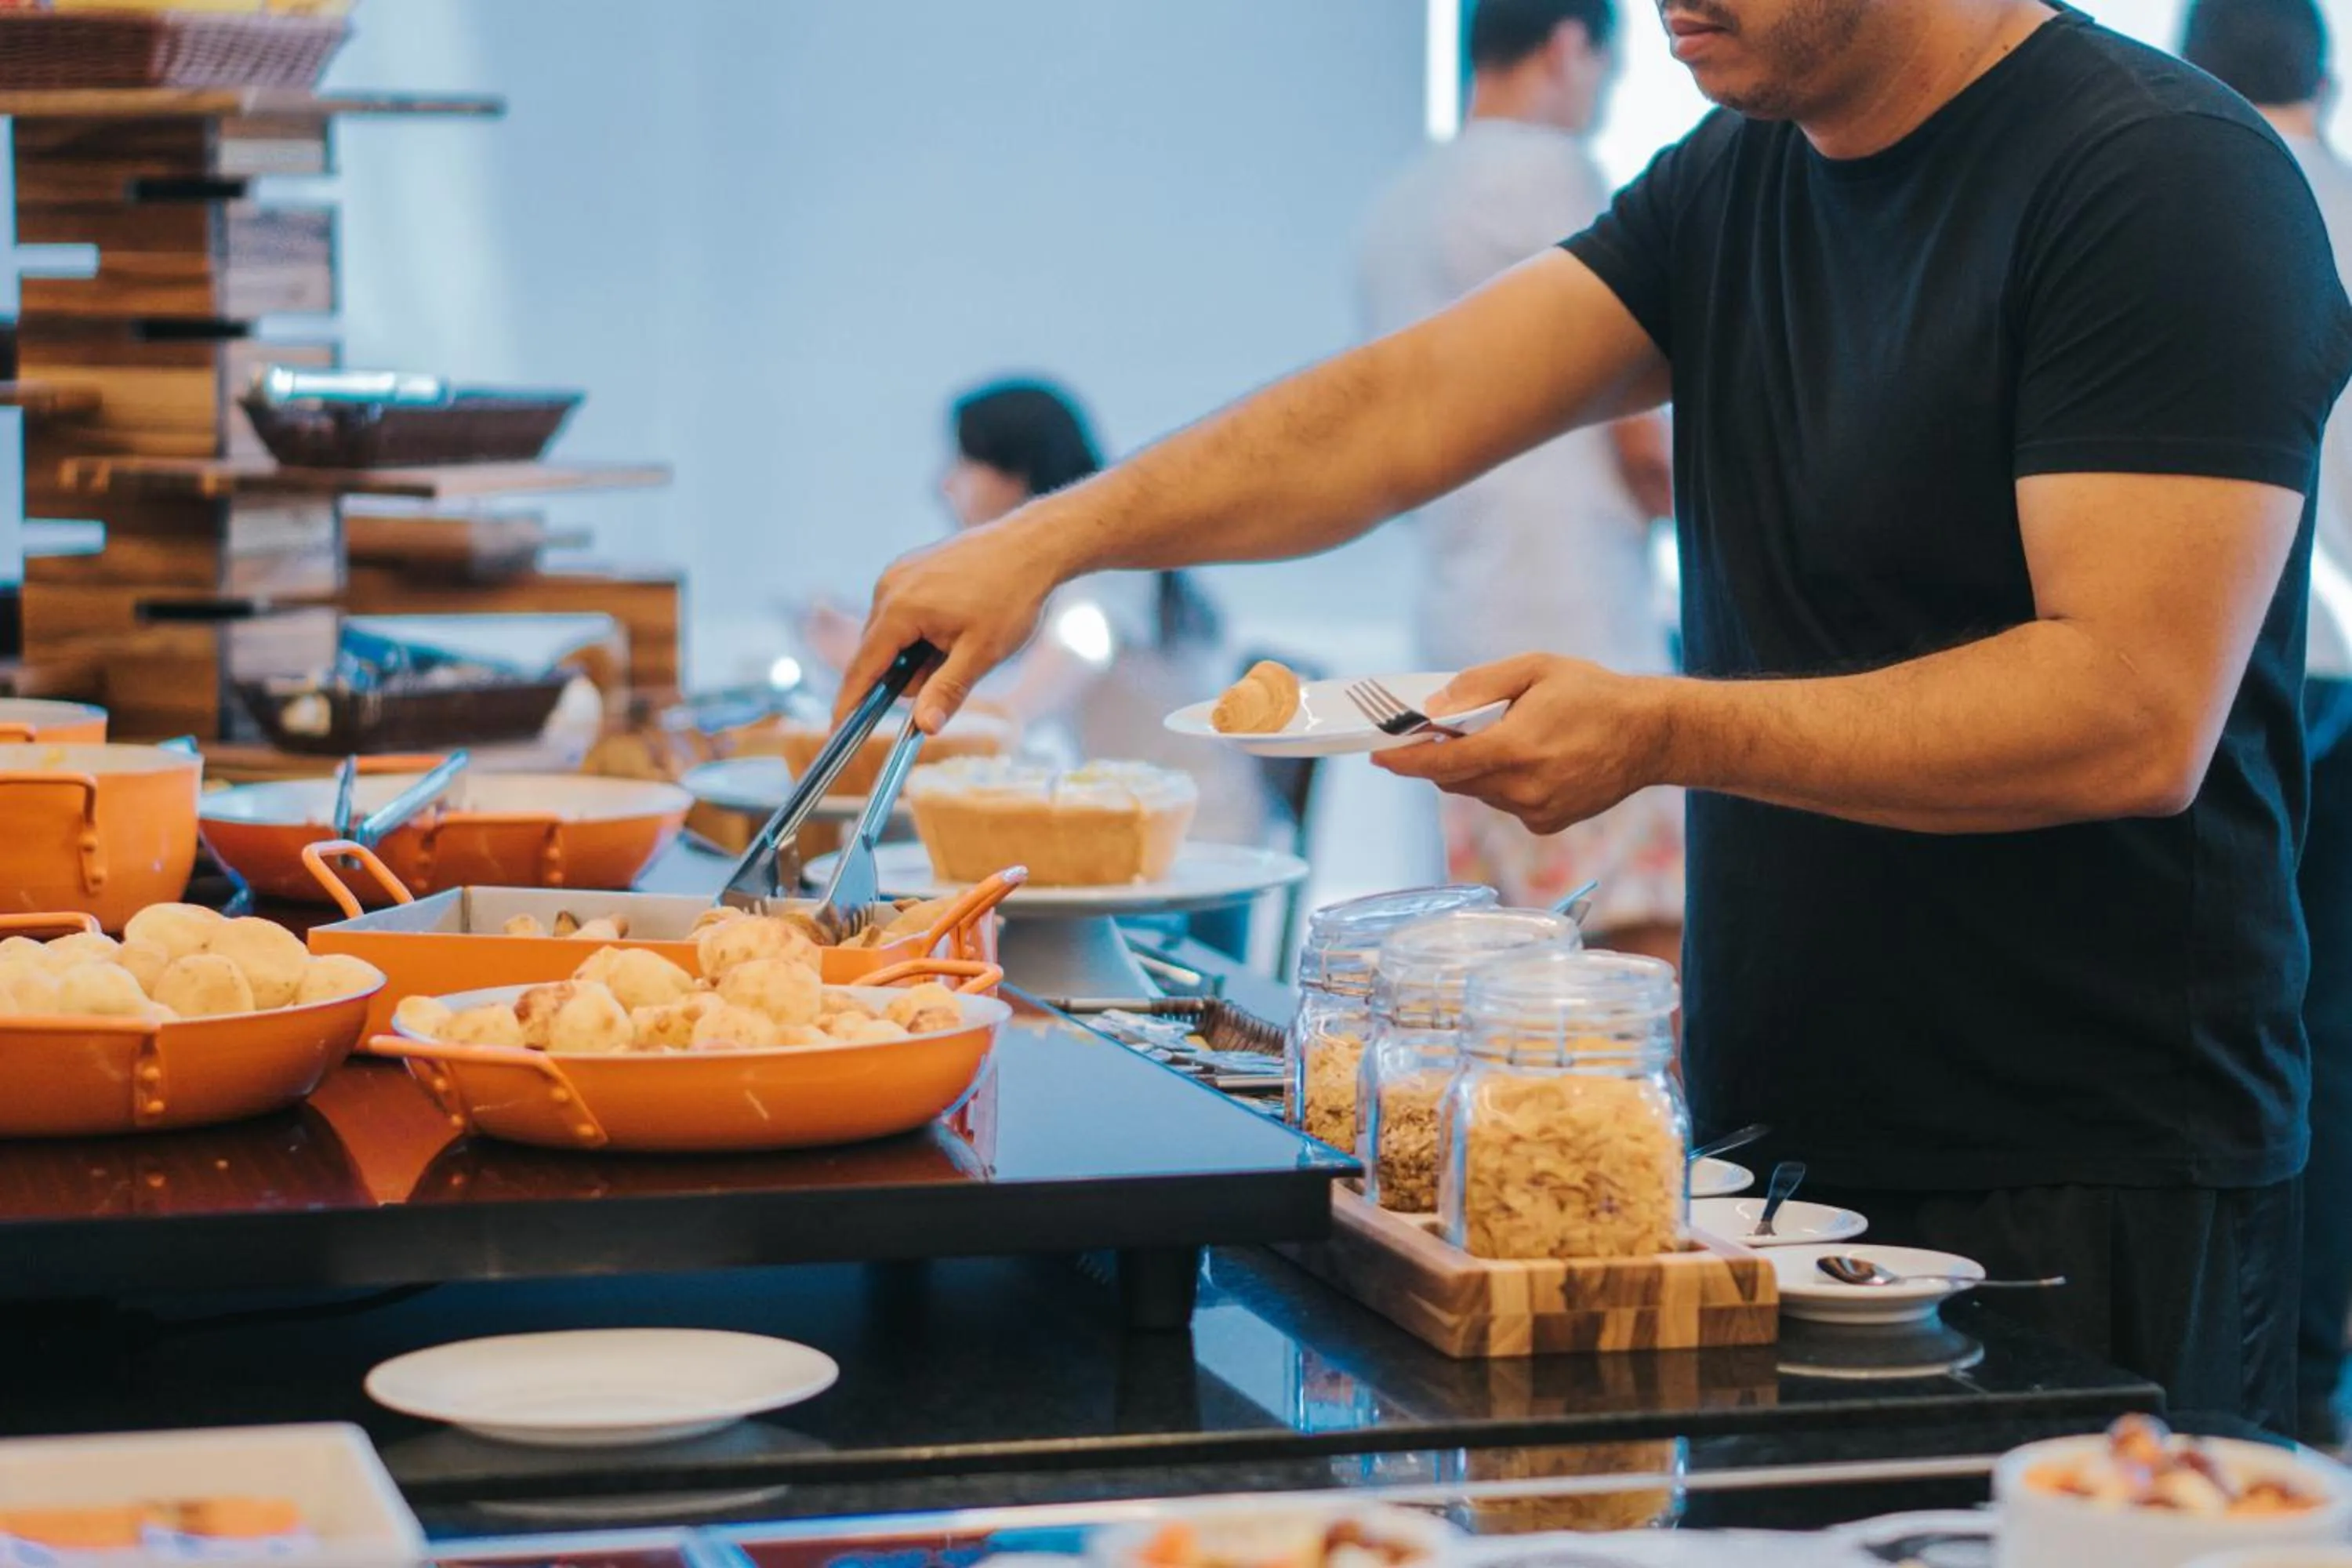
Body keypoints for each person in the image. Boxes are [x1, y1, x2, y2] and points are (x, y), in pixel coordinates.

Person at [842, 0, 2352, 1427]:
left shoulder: (2164, 180)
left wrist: (1664, 730)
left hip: (2092, 1169)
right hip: (1775, 1133)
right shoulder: (1736, 175)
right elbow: (1397, 413)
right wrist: (1051, 539)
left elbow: (2130, 712)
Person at [1359, 0, 1683, 967]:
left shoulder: (1397, 209)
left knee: (1500, 966)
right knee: (1631, 956)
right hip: (1577, 615)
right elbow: (1647, 446)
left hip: (1460, 619)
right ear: (1570, 45)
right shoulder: (1555, 177)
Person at [801, 379, 1271, 906]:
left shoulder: (1103, 581)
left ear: (1014, 472)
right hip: (1148, 843)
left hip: (1193, 856)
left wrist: (888, 673)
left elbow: (1025, 705)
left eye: (963, 462)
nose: (944, 484)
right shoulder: (1077, 575)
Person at [2182, 0, 2352, 1450]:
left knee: (2251, 1009)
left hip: (2252, 676)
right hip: (2336, 667)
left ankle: (2269, 1373)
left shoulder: (2183, 197)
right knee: (2334, 1023)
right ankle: (2306, 1373)